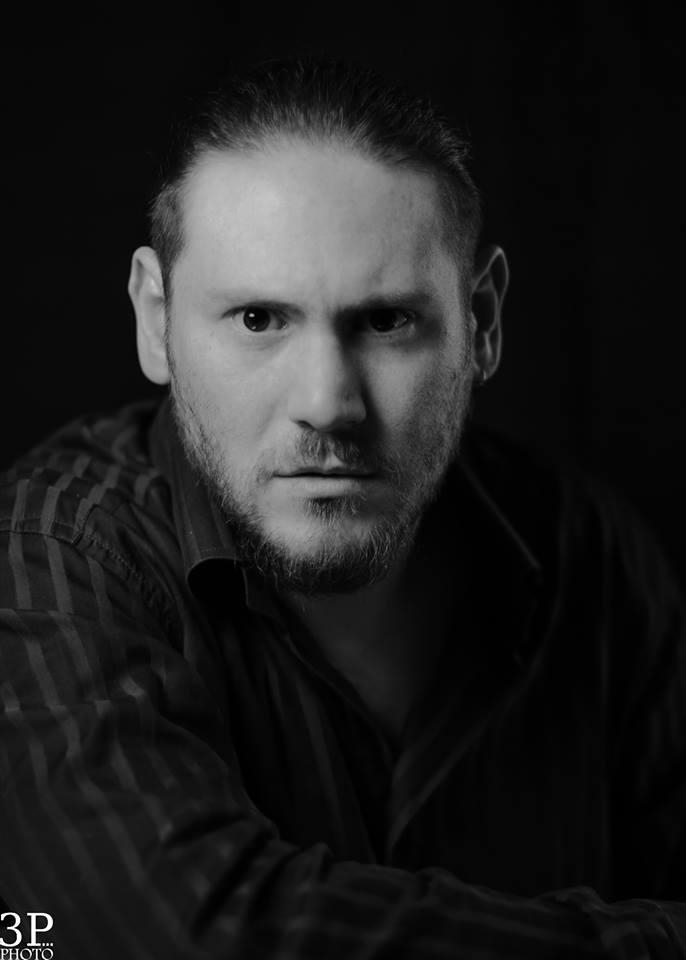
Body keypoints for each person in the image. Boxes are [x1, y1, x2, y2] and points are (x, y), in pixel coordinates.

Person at [1, 56, 686, 960]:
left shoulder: (593, 559)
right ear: (155, 320)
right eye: (258, 320)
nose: (327, 404)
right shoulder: (51, 558)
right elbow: (179, 937)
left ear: (482, 321)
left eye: (387, 322)